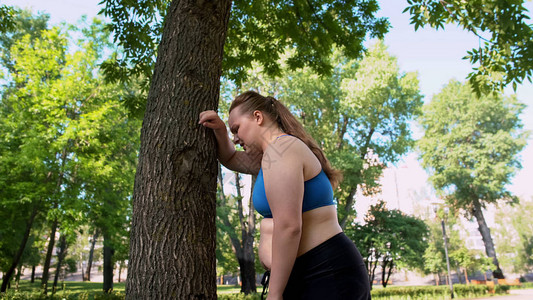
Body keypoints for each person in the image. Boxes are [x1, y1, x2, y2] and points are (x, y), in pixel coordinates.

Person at [199, 91, 371, 300]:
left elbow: (289, 226)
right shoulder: (271, 156)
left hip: (326, 272)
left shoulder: (282, 150)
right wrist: (219, 131)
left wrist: (275, 294)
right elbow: (232, 157)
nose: (235, 138)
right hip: (309, 273)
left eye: (237, 129)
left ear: (258, 117)